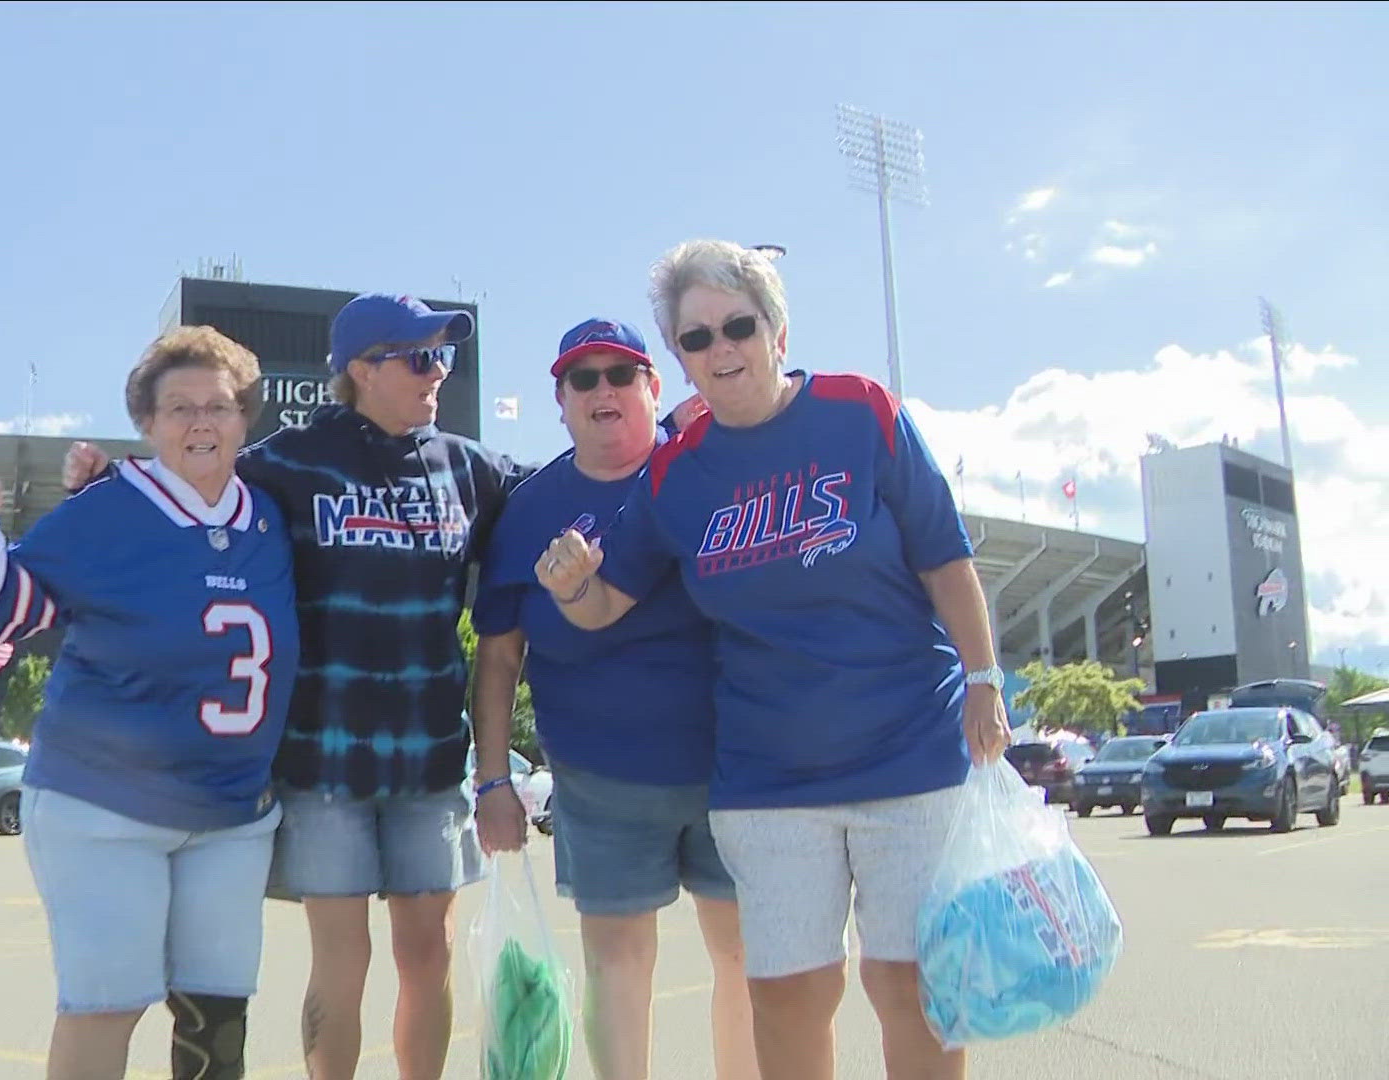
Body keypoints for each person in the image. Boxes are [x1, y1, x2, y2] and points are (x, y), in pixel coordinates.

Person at [535, 239, 1012, 1080]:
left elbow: (944, 553)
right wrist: (575, 586)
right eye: (695, 338)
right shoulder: (678, 474)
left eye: (738, 326)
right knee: (788, 995)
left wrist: (983, 679)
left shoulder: (861, 412)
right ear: (678, 361)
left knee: (911, 985)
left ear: (778, 333)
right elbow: (614, 598)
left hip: (909, 754)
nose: (720, 349)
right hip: (769, 779)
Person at [66, 293, 526, 1080]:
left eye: (443, 356)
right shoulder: (288, 463)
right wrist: (101, 486)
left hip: (430, 762)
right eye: (419, 357)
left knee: (429, 954)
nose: (437, 372)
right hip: (322, 767)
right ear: (360, 368)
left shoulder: (470, 466)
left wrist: (666, 439)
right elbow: (192, 484)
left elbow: (566, 489)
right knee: (342, 963)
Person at [0, 326, 298, 1080]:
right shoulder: (107, 511)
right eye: (179, 408)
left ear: (245, 418)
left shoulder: (270, 517)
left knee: (218, 1017)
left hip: (232, 814)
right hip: (104, 805)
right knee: (105, 1004)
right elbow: (13, 608)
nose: (201, 422)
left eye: (219, 406)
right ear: (147, 421)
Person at [471, 317, 757, 1080]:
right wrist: (494, 781)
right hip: (601, 781)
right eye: (583, 378)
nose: (604, 389)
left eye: (622, 373)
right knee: (618, 968)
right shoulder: (529, 507)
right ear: (560, 400)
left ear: (654, 387)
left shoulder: (711, 469)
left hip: (736, 767)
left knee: (745, 959)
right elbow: (497, 658)